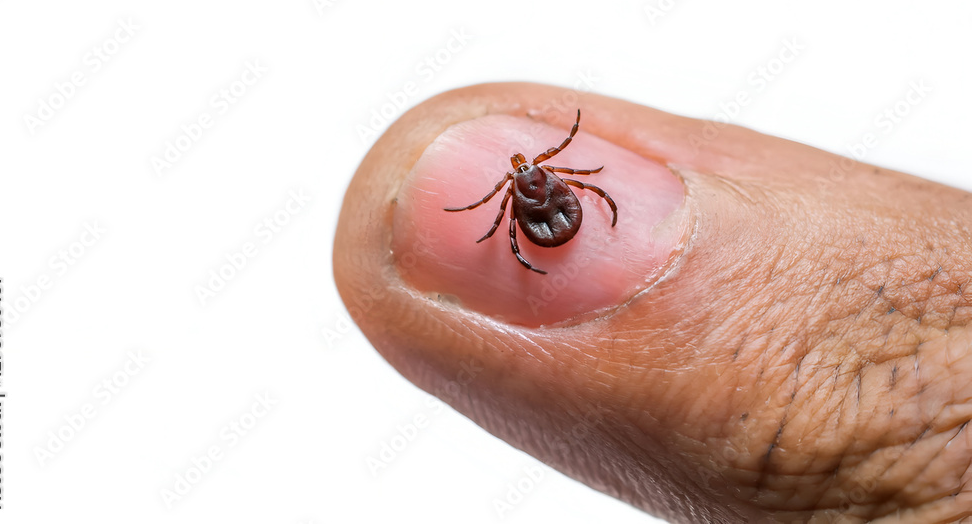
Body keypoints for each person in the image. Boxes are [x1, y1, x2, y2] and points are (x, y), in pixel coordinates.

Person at [334, 82, 972, 522]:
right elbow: (572, 192)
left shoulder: (527, 190)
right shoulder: (553, 180)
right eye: (526, 174)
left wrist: (532, 239)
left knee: (541, 231)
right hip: (557, 223)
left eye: (532, 172)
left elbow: (501, 213)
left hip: (552, 226)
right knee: (556, 224)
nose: (530, 174)